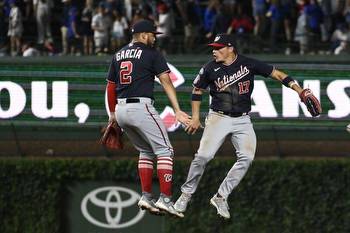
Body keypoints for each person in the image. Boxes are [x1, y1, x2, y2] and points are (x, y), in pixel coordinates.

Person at [174, 33, 321, 219]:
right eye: (213, 47)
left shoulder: (248, 63)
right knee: (203, 156)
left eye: (218, 47)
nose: (214, 51)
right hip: (218, 117)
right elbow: (197, 91)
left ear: (230, 48)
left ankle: (221, 196)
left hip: (243, 120)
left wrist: (299, 90)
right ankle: (185, 195)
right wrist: (195, 117)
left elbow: (277, 73)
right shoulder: (210, 68)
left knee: (247, 157)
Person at [105, 20, 190, 218]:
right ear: (143, 35)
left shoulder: (118, 55)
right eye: (153, 34)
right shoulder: (151, 53)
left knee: (145, 150)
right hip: (141, 107)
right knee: (165, 151)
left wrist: (112, 115)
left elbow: (110, 86)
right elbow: (166, 81)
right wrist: (177, 109)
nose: (154, 38)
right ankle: (166, 199)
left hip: (121, 109)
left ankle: (146, 196)